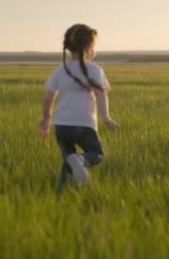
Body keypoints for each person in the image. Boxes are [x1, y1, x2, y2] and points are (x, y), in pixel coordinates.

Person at [38, 24, 118, 190]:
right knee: (96, 155)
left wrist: (46, 120)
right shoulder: (94, 70)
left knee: (69, 160)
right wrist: (106, 118)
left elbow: (48, 98)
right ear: (89, 48)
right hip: (84, 125)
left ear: (67, 47)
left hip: (61, 126)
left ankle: (61, 193)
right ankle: (82, 161)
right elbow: (100, 95)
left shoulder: (60, 70)